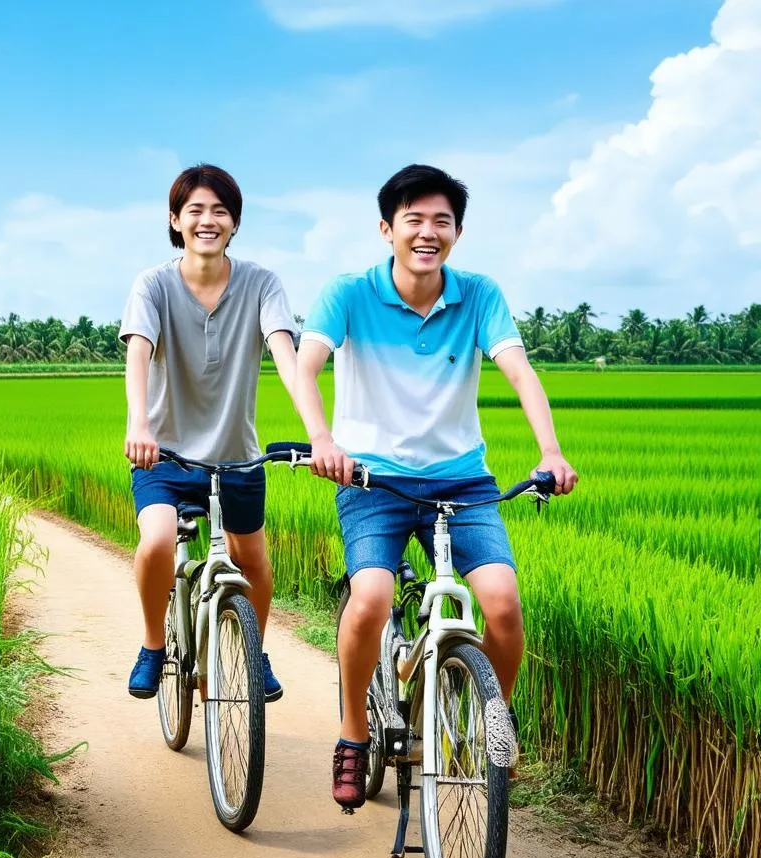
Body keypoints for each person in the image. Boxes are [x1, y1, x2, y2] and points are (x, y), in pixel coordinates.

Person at [293, 164, 578, 810]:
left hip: (463, 479)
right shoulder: (349, 293)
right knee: (370, 597)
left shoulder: (478, 296)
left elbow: (519, 370)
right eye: (414, 220)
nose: (428, 233)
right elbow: (307, 365)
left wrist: (551, 452)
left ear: (457, 231)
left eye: (442, 222)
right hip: (373, 479)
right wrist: (323, 440)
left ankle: (486, 725)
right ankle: (353, 736)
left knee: (501, 605)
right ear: (386, 228)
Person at [121, 163, 298, 702]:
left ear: (235, 223)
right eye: (195, 210)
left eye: (220, 211)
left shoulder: (262, 283)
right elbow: (139, 353)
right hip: (165, 458)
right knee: (155, 541)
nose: (207, 220)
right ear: (175, 220)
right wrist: (139, 423)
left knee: (253, 563)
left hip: (237, 458)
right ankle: (154, 645)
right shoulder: (152, 284)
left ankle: (255, 651)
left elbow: (285, 355)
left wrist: (322, 433)